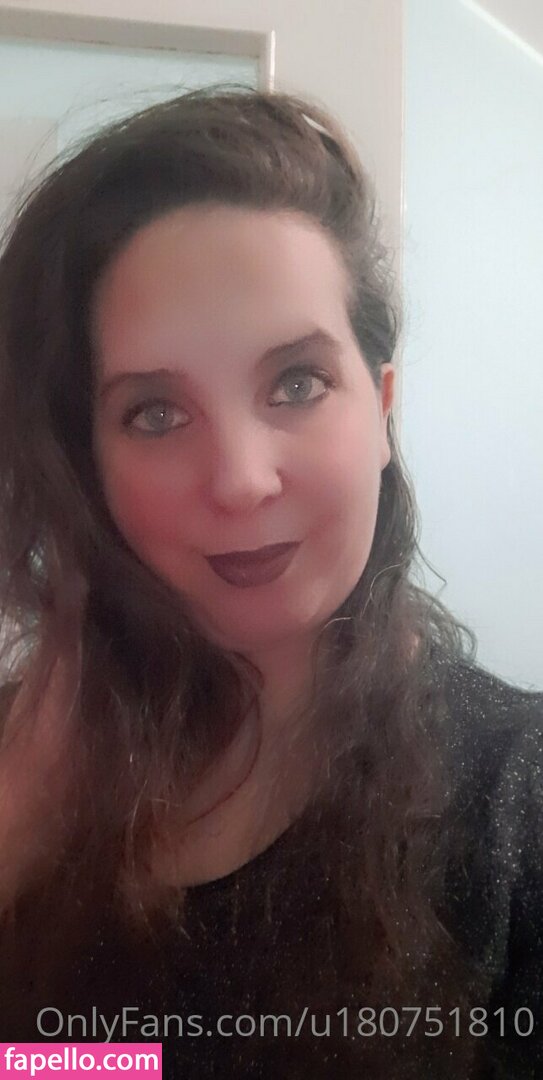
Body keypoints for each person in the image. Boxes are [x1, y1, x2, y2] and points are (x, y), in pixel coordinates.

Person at [0, 82, 541, 1080]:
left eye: (297, 382)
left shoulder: (522, 799)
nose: (242, 481)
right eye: (156, 414)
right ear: (87, 462)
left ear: (381, 409)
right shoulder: (18, 763)